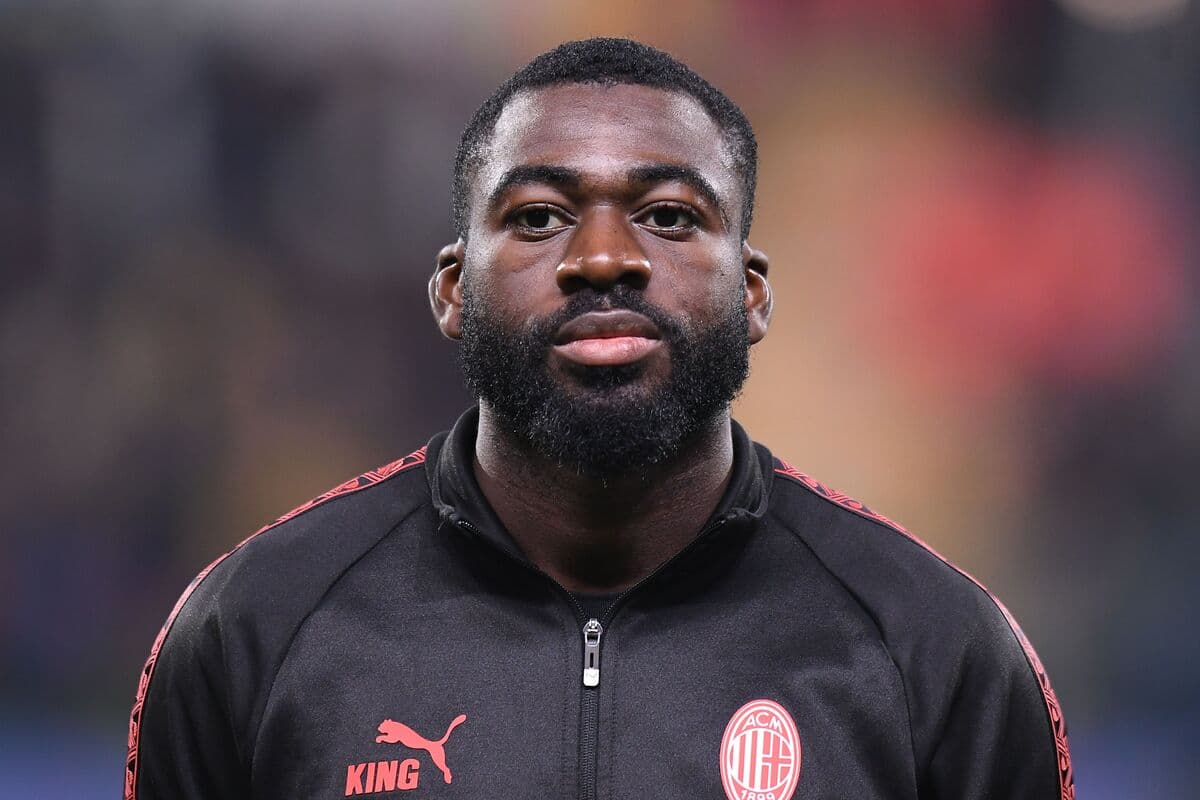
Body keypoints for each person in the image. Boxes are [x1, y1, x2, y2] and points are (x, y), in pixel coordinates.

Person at [125, 37, 1073, 800]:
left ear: (750, 292)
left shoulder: (935, 650)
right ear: (453, 290)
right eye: (539, 217)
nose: (605, 257)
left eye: (669, 216)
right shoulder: (253, 630)